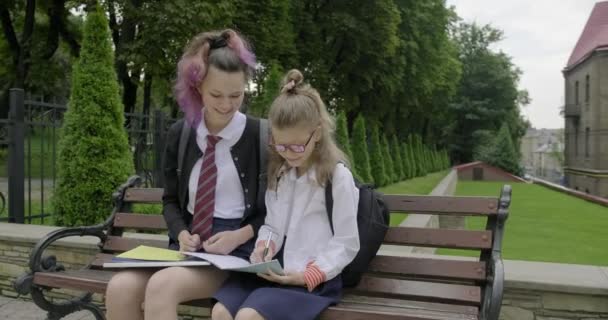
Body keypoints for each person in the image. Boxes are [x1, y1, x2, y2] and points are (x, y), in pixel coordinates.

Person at [105, 29, 267, 320]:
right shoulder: (181, 134)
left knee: (162, 286)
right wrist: (181, 232)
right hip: (188, 249)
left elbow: (278, 209)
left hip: (238, 255)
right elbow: (170, 201)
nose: (227, 104)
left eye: (237, 95)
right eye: (216, 94)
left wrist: (238, 236)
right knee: (119, 287)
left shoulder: (260, 135)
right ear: (197, 88)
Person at [211, 69, 360, 320]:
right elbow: (272, 226)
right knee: (220, 312)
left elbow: (346, 243)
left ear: (318, 133)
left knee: (249, 317)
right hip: (276, 272)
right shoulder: (281, 173)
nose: (289, 153)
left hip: (313, 279)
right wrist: (264, 248)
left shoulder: (337, 177)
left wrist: (305, 276)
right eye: (281, 146)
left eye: (297, 146)